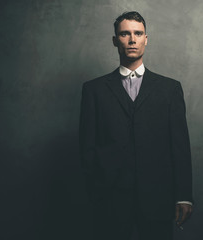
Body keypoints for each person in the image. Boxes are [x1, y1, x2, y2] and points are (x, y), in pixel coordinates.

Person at [79, 11, 193, 240]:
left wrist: (184, 196)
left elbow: (179, 146)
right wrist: (95, 192)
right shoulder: (94, 90)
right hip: (109, 201)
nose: (132, 39)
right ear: (115, 40)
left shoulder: (169, 89)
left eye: (138, 33)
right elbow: (86, 148)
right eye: (125, 34)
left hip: (157, 200)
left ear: (146, 39)